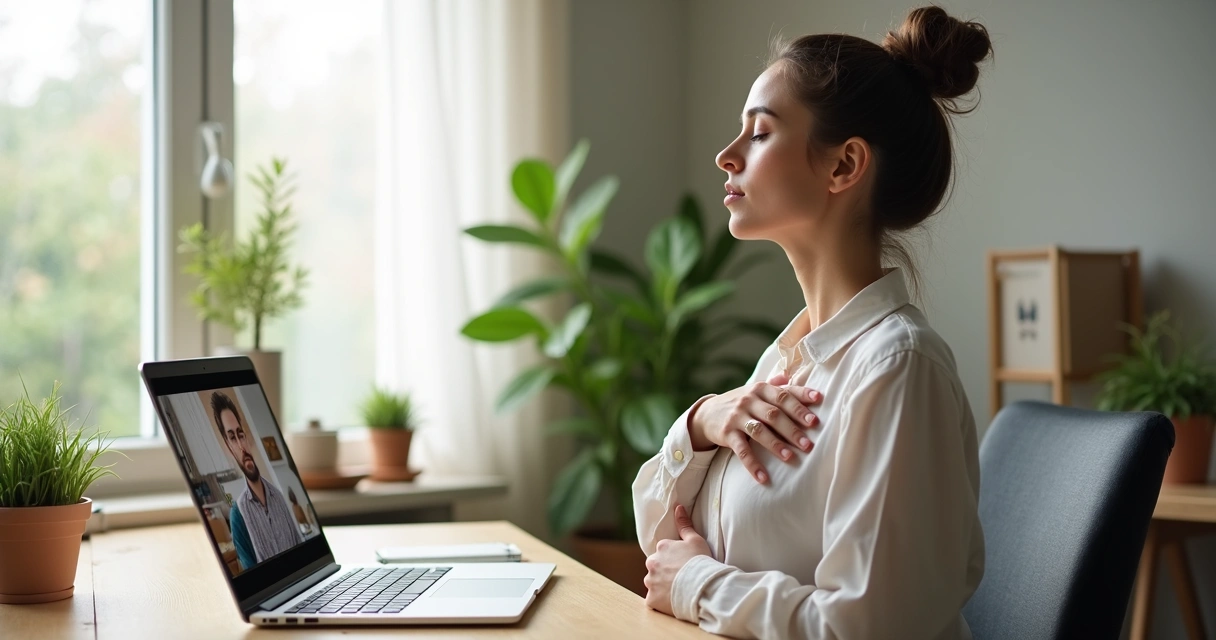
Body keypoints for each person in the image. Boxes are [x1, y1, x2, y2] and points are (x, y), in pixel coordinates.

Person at [633, 7, 992, 639]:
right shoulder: (788, 361)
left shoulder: (898, 369)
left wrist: (698, 585)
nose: (726, 155)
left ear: (844, 166)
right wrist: (702, 422)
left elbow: (872, 627)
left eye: (760, 132)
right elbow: (661, 540)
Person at [210, 391, 303, 569]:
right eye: (232, 437)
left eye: (240, 434)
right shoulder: (238, 515)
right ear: (228, 446)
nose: (240, 445)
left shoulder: (278, 496)